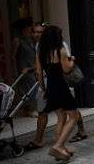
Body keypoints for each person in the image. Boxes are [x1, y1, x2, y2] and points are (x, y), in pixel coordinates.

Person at [35, 25, 79, 161]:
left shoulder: (41, 52)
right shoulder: (60, 50)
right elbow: (66, 70)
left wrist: (43, 89)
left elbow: (39, 73)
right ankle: (59, 146)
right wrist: (72, 61)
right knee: (74, 116)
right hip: (61, 86)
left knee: (61, 117)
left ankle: (61, 149)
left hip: (51, 87)